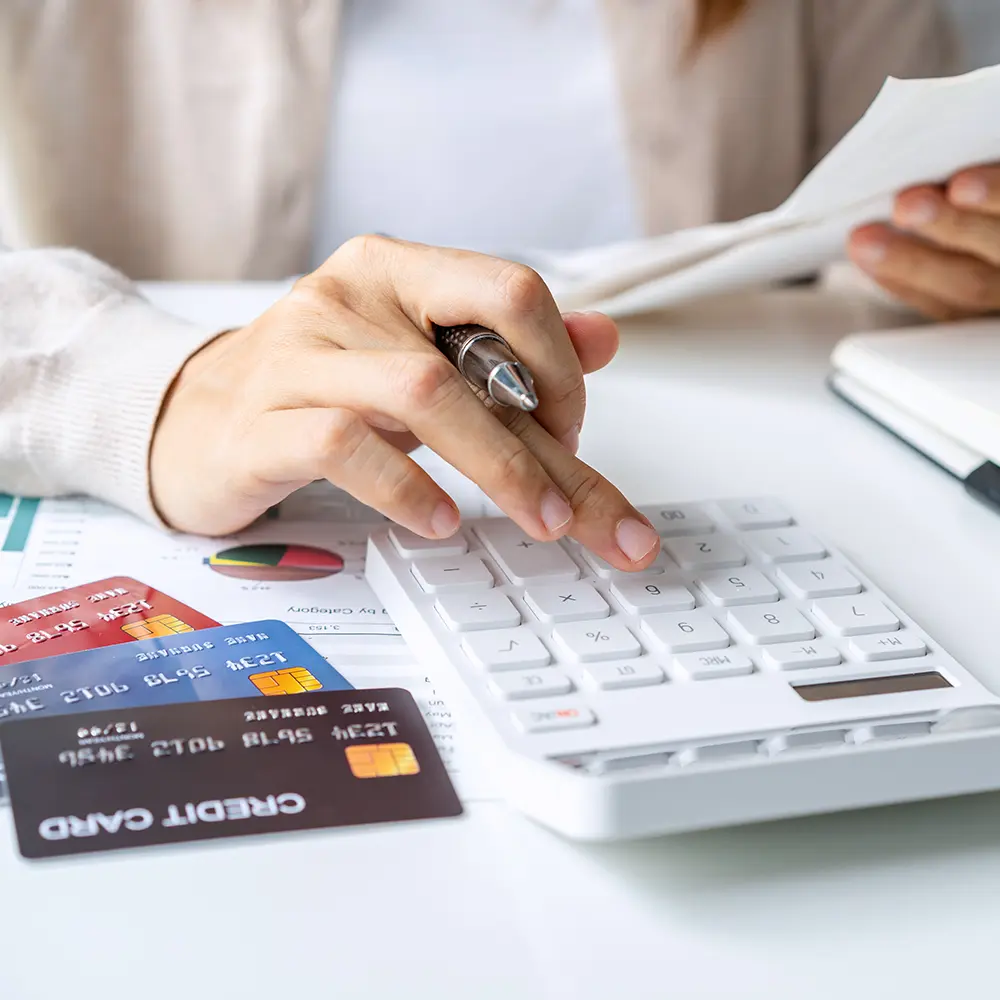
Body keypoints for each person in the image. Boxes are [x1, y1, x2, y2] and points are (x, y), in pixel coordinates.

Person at [0, 0, 995, 571]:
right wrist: (163, 388)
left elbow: (890, 190)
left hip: (814, 486)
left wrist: (941, 265)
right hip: (239, 527)